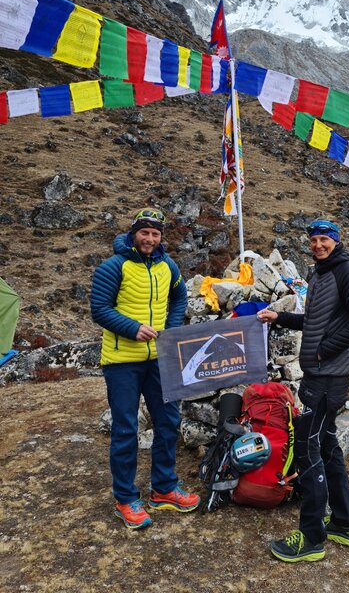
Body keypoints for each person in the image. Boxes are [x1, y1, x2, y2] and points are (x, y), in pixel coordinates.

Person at [258, 219, 349, 562]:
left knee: (308, 450)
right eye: (314, 240)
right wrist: (279, 318)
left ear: (336, 241)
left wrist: (324, 351)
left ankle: (310, 538)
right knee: (326, 445)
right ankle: (343, 523)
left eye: (324, 239)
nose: (318, 244)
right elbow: (315, 321)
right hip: (319, 373)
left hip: (327, 376)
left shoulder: (345, 271)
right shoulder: (319, 273)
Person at [90, 207, 200, 529]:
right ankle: (125, 498)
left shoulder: (168, 266)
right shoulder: (114, 266)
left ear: (161, 237)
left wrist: (171, 326)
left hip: (159, 358)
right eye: (144, 232)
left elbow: (180, 295)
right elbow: (99, 309)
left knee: (168, 422)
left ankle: (164, 489)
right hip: (122, 361)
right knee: (126, 429)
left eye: (155, 234)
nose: (149, 239)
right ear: (134, 233)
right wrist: (132, 328)